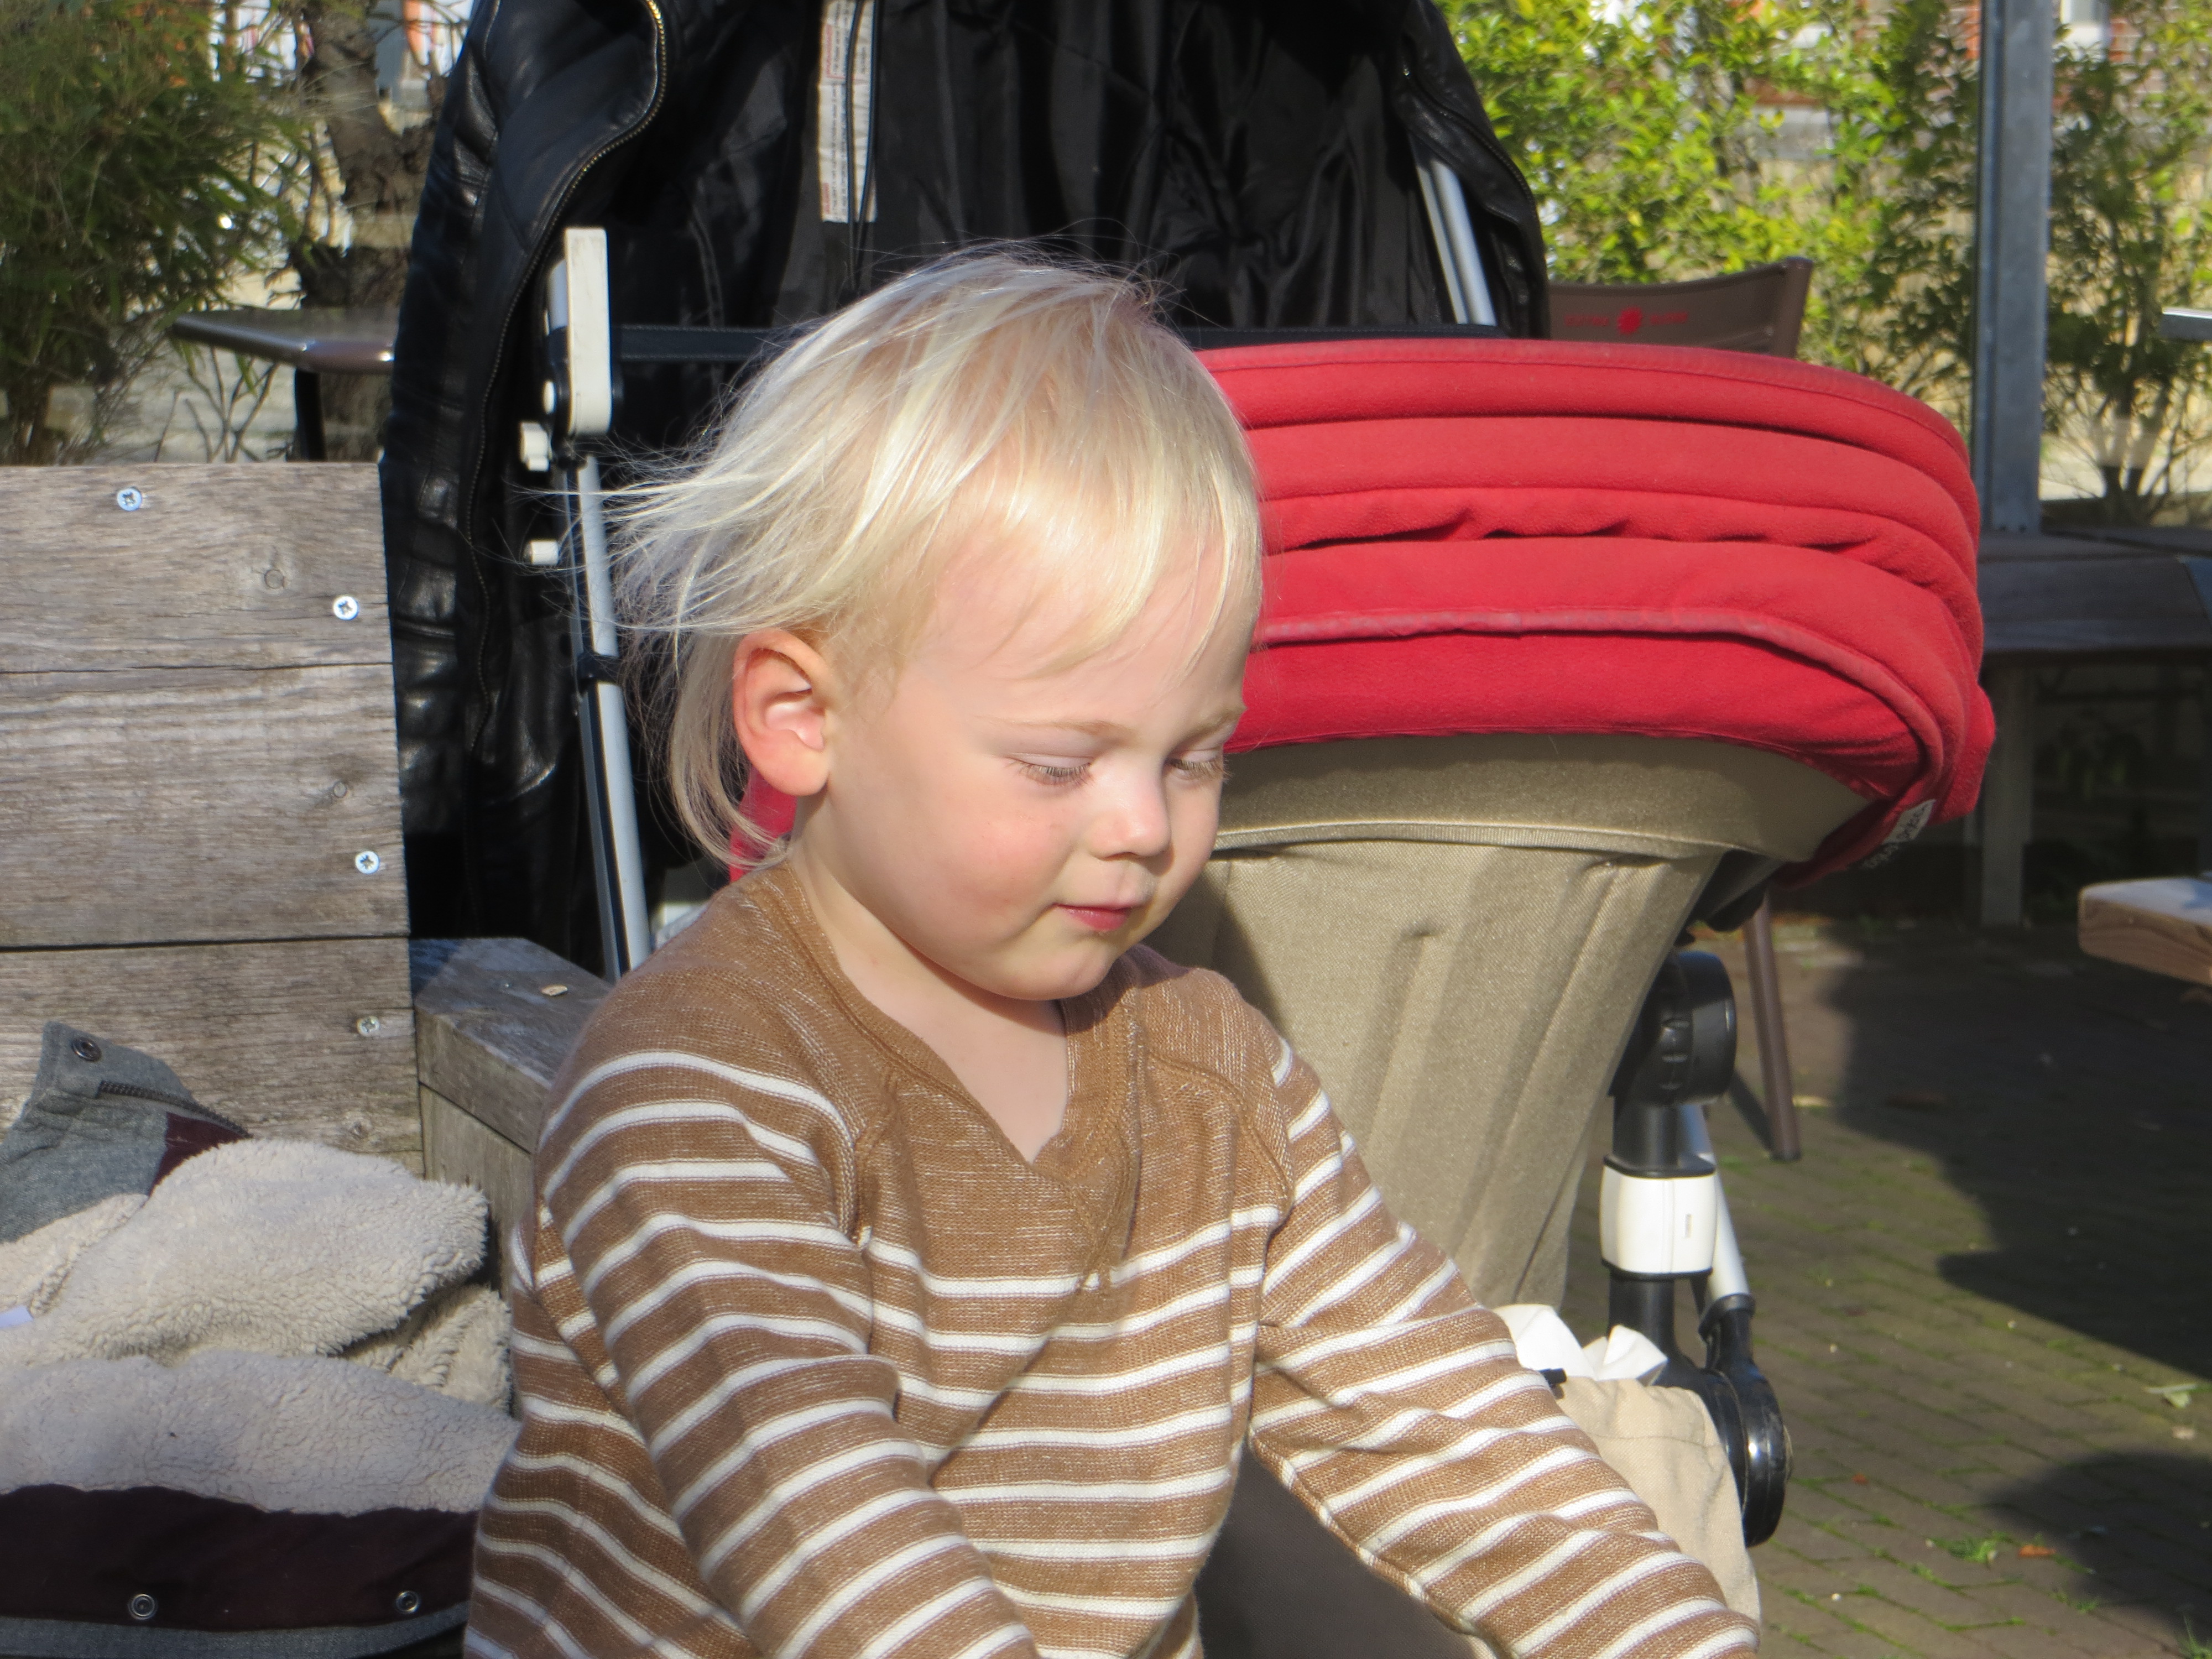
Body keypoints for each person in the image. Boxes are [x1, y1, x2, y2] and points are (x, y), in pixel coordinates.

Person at [466, 253, 1758, 1659]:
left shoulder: (1213, 1075)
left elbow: (1441, 1427)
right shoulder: (698, 1088)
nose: (1145, 826)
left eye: (1193, 755)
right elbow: (823, 1544)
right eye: (1057, 762)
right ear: (798, 716)